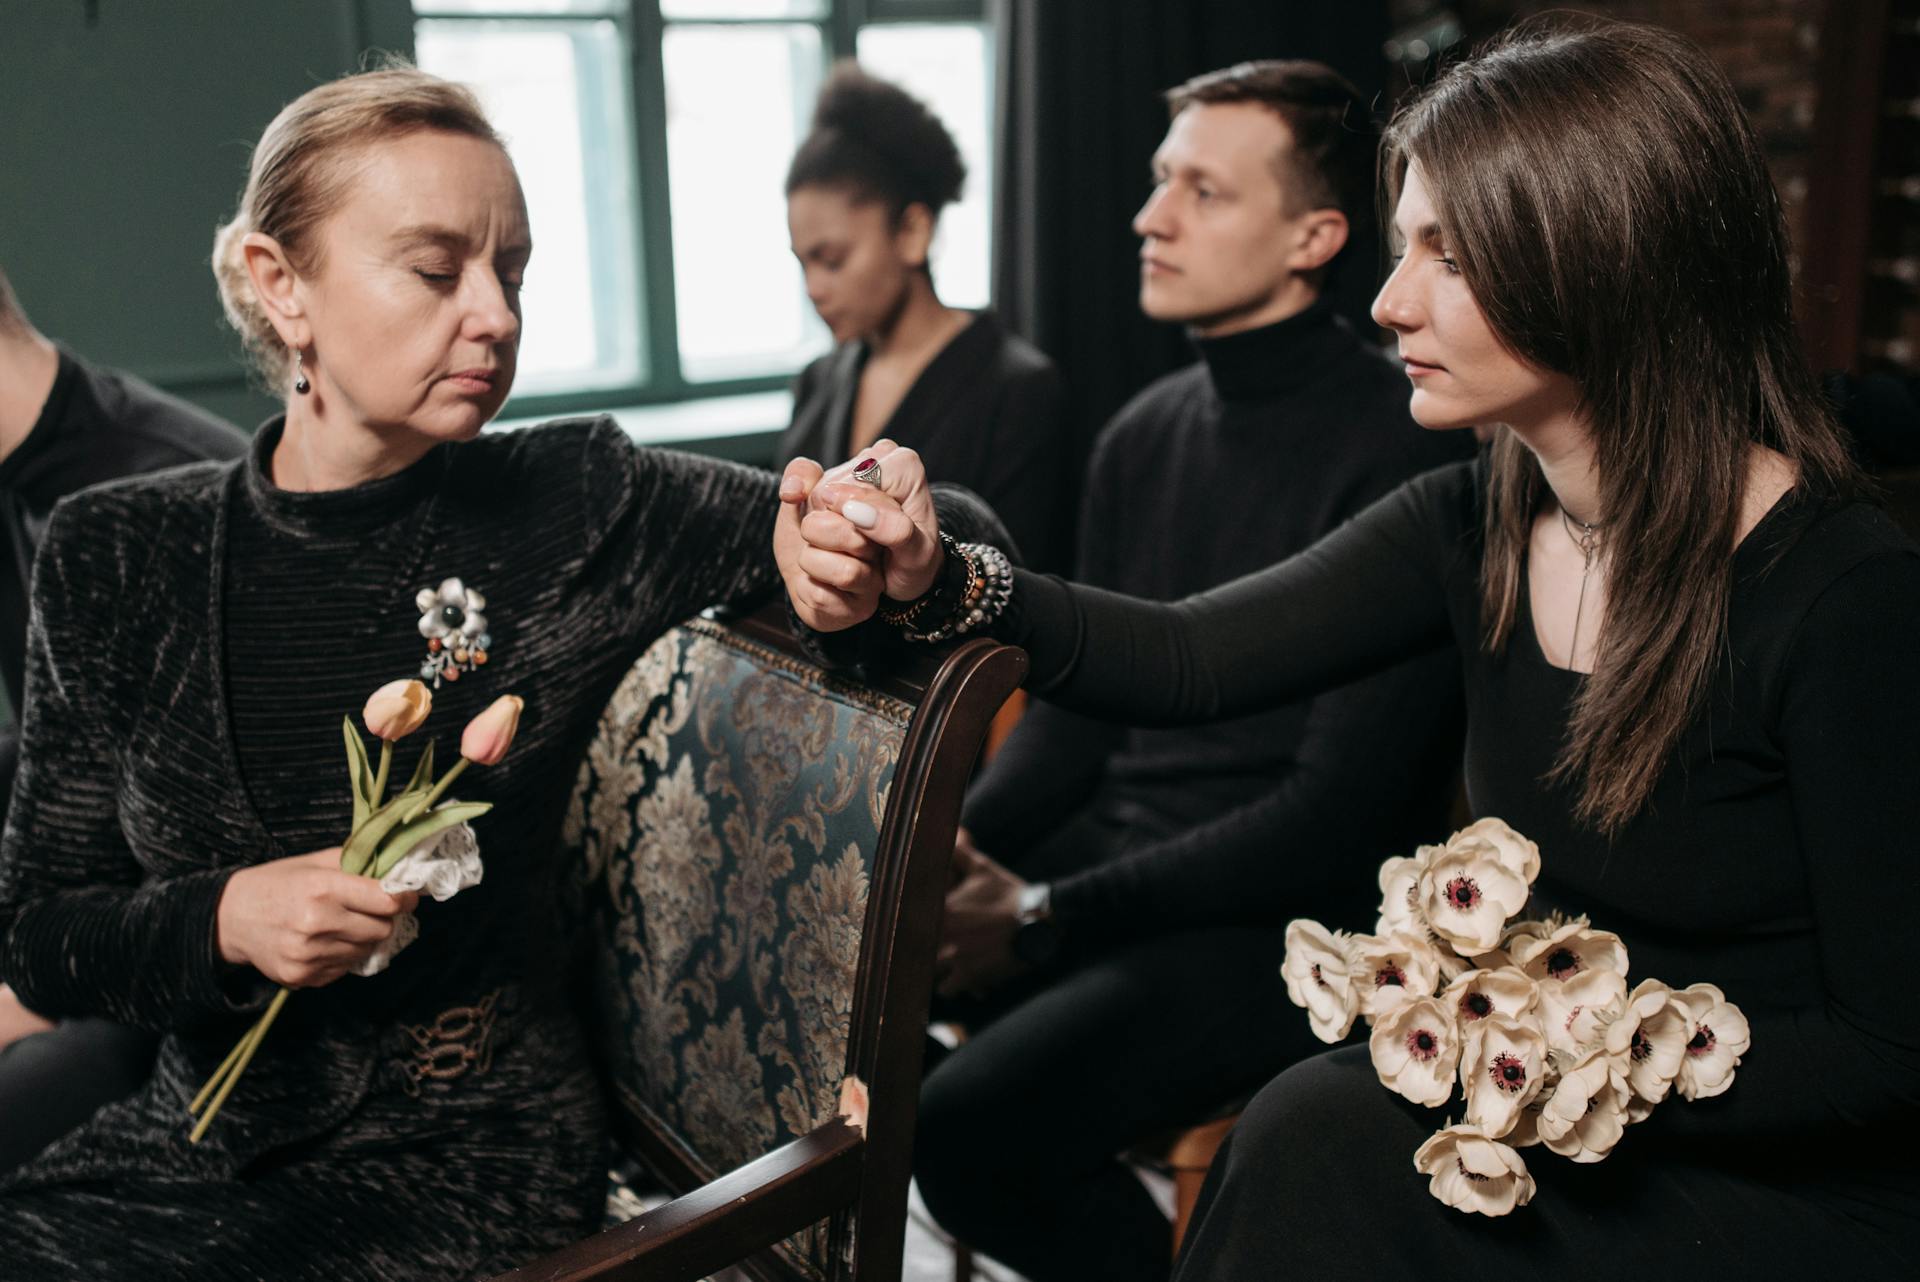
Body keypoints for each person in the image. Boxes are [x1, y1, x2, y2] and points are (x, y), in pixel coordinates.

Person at [782, 19, 1920, 1276]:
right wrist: (942, 576)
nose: (1389, 302)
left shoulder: (1845, 597)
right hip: (1560, 1120)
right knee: (1312, 1121)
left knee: (1322, 1138)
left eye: (1448, 253)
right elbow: (1185, 657)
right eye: (1399, 248)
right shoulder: (1477, 522)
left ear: (1596, 258)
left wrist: (1556, 1073)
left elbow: (1892, 1049)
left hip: (1774, 1185)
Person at [0, 66, 995, 1279]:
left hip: (461, 1163)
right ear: (281, 284)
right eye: (436, 271)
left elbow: (936, 534)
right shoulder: (114, 553)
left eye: (511, 271)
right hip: (189, 1145)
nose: (496, 315)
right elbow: (42, 933)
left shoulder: (574, 500)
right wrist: (224, 915)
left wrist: (869, 543)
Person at [910, 61, 1471, 1281]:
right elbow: (1070, 732)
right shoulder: (1140, 432)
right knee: (860, 1014)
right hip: (1122, 866)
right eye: (1162, 180)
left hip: (1279, 918)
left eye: (1203, 191)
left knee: (964, 1127)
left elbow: (1331, 821)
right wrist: (947, 860)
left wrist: (1044, 918)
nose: (1148, 217)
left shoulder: (1406, 451)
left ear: (1315, 237)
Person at [0, 267, 247, 1174]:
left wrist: (24, 995)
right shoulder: (23, 474)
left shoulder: (162, 499)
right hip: (94, 927)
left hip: (204, 1006)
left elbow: (218, 875)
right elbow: (61, 772)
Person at [779, 62, 1073, 571]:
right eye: (802, 263)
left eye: (832, 260)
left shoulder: (1019, 391)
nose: (813, 288)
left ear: (913, 231)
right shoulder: (818, 381)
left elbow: (1030, 584)